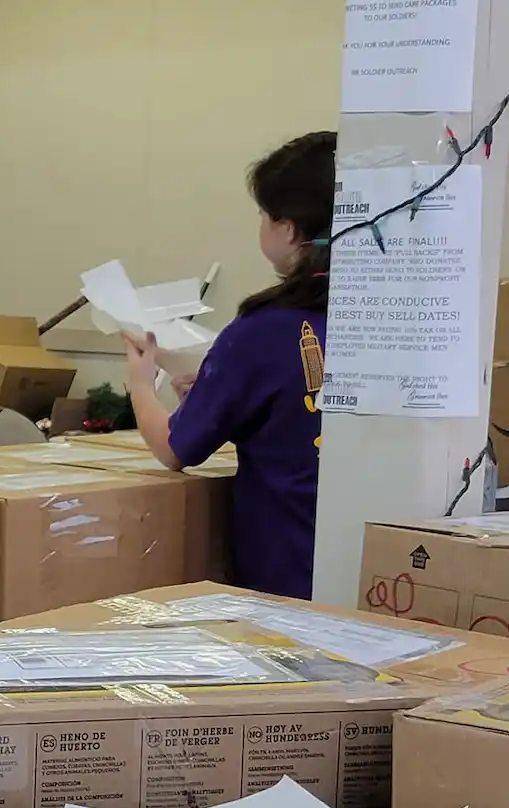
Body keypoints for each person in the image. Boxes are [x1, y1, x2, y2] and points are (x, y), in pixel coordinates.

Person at [123, 131, 334, 600]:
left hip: (286, 578)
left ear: (288, 228)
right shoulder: (386, 319)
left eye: (262, 214)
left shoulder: (264, 329)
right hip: (372, 578)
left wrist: (140, 382)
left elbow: (175, 449)